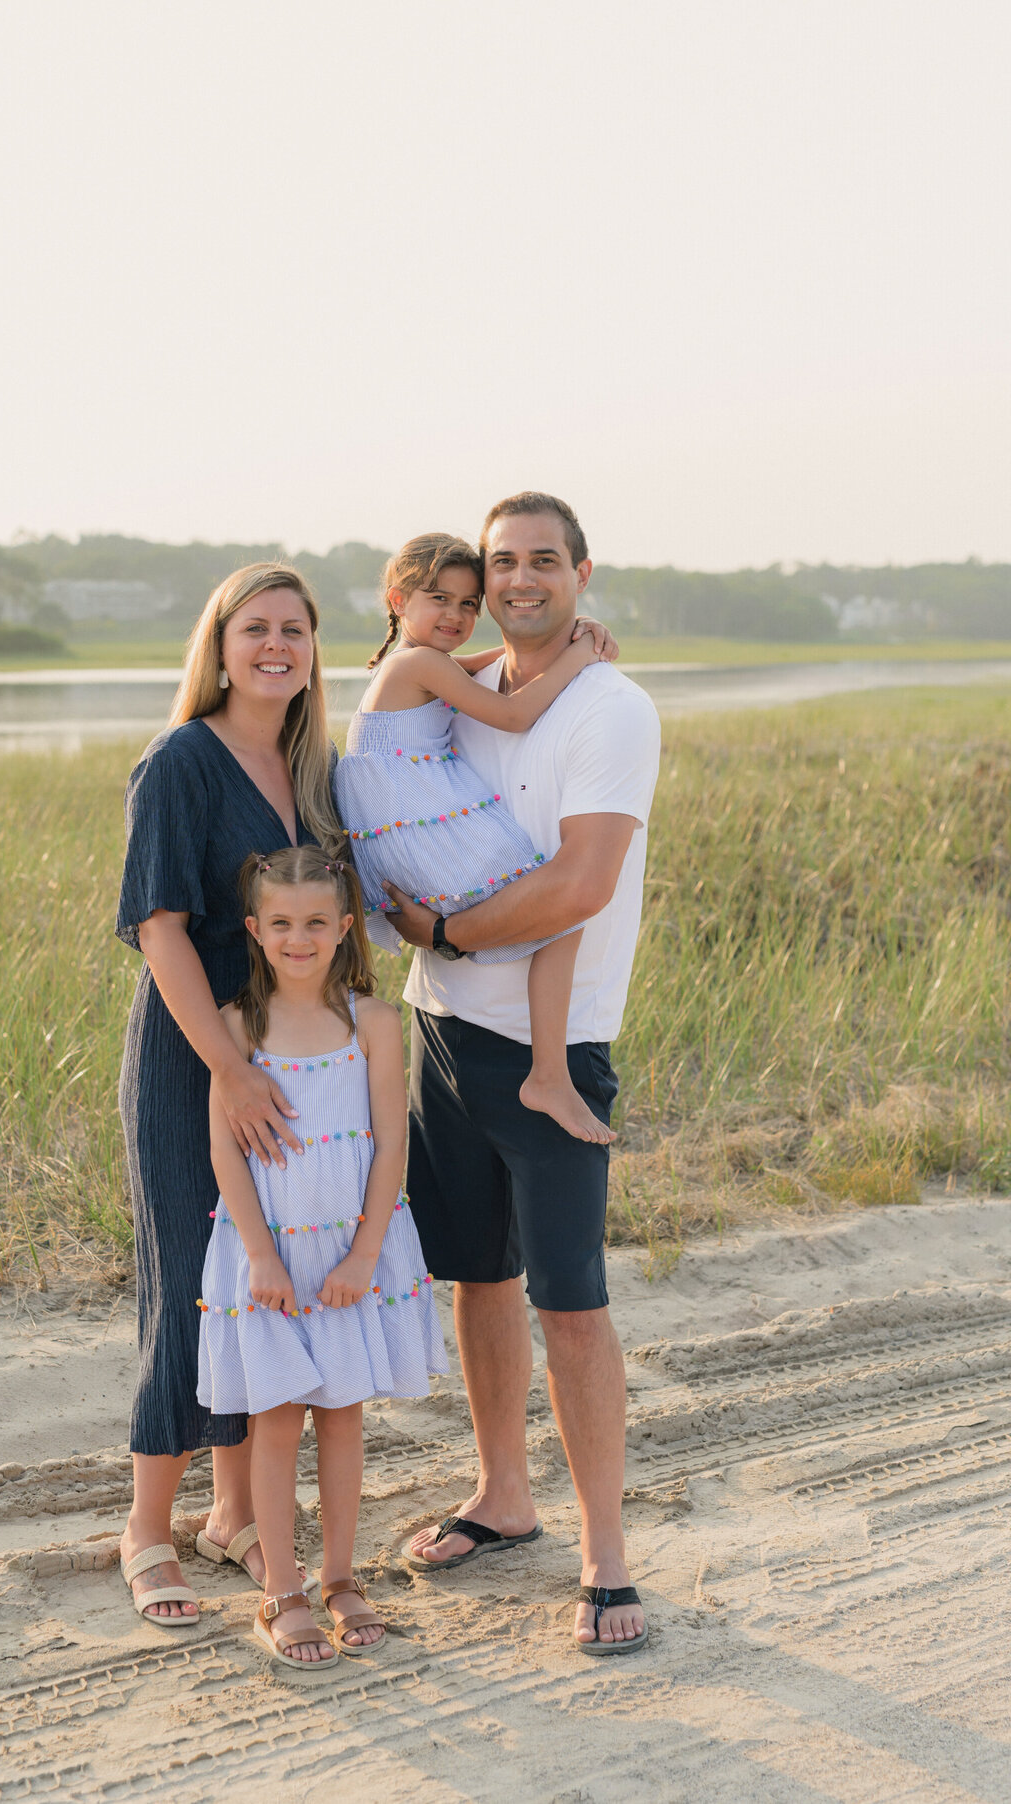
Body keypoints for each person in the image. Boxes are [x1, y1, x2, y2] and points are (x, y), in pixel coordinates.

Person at [381, 493, 661, 1655]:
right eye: (503, 562)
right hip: (440, 1029)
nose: (520, 579)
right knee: (475, 1278)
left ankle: (607, 1555)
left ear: (582, 573)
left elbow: (581, 884)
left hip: (556, 1045)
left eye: (544, 560)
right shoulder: (468, 682)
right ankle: (504, 1494)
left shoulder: (613, 706)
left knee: (574, 1304)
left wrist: (444, 932)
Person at [115, 562, 344, 1627]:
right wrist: (228, 1067)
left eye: (294, 629)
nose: (275, 646)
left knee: (261, 1278)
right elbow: (161, 926)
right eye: (255, 627)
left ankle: (232, 1514)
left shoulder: (307, 764)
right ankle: (147, 1530)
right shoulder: (180, 761)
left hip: (282, 1063)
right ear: (219, 641)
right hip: (193, 1058)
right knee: (193, 1283)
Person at [197, 847, 446, 1676]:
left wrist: (367, 1253)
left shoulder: (373, 1023)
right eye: (281, 924)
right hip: (270, 1258)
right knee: (275, 1421)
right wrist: (260, 1256)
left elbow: (389, 1145)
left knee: (342, 1417)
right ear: (255, 932)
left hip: (349, 1255)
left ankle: (340, 1577)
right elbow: (227, 1158)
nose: (298, 938)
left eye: (315, 923)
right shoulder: (237, 1033)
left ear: (344, 928)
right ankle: (284, 1593)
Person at [335, 533, 618, 1143]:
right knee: (558, 915)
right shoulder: (418, 664)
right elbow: (516, 714)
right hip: (411, 828)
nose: (457, 616)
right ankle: (548, 1075)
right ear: (397, 600)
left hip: (397, 828)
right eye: (440, 599)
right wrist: (581, 656)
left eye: (468, 604)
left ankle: (543, 1073)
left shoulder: (411, 662)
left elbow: (490, 667)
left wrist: (568, 635)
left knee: (550, 916)